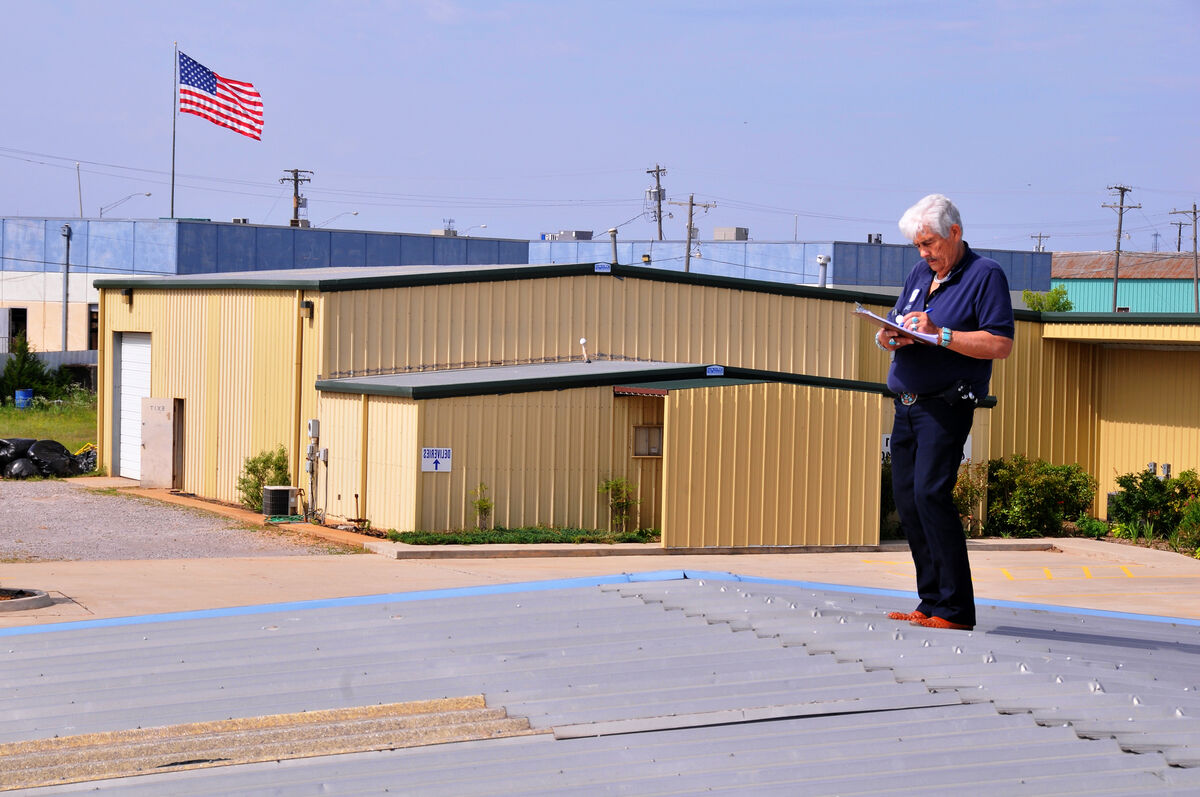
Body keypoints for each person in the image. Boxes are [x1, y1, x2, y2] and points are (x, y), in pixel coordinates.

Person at [875, 194, 1014, 631]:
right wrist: (888, 337)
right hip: (908, 405)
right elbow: (899, 321)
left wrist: (941, 334)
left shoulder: (985, 274)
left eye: (929, 243)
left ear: (954, 232)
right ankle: (930, 599)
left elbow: (1000, 343)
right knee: (908, 501)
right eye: (918, 246)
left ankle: (955, 609)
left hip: (946, 405)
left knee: (932, 496)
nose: (924, 254)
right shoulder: (921, 273)